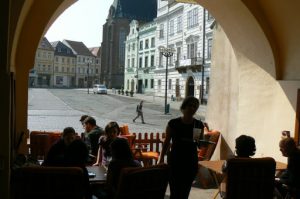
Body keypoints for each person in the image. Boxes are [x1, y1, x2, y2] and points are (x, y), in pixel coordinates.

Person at [158, 96, 204, 199]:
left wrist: (203, 142)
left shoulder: (199, 124)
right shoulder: (173, 123)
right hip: (175, 162)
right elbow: (166, 142)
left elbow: (199, 145)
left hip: (190, 162)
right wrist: (161, 159)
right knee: (174, 192)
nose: (192, 108)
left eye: (195, 107)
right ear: (184, 106)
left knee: (185, 192)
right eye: (190, 105)